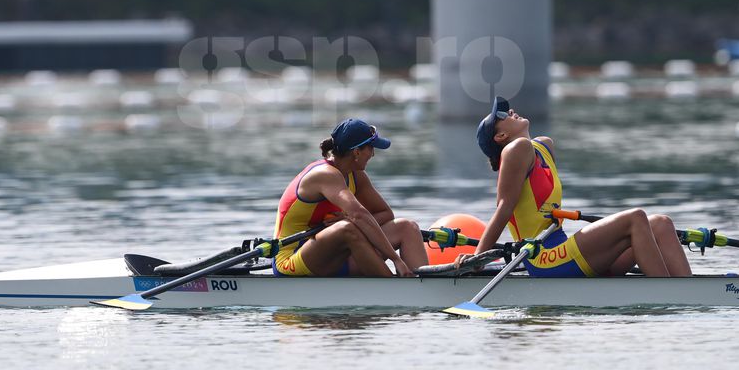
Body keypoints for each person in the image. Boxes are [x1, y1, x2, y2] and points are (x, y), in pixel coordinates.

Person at [459, 97, 691, 278]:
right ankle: (667, 295)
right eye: (501, 114)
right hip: (544, 258)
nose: (509, 111)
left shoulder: (543, 146)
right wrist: (478, 259)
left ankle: (689, 293)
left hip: (564, 249)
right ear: (501, 136)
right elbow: (504, 207)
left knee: (661, 223)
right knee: (636, 217)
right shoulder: (515, 149)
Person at [273, 118, 426, 278]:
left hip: (336, 256)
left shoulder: (356, 176)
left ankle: (423, 285)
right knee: (347, 229)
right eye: (371, 148)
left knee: (406, 227)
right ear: (357, 152)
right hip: (291, 259)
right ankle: (398, 289)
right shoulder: (325, 174)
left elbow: (385, 214)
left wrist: (349, 219)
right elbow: (359, 214)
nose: (373, 154)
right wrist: (395, 259)